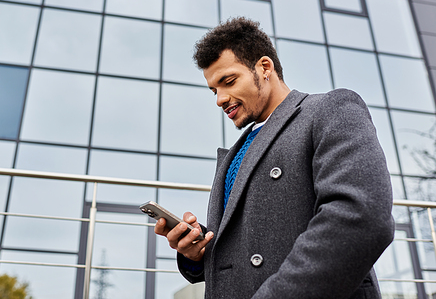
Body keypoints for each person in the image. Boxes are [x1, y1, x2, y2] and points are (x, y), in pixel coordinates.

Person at [154, 17, 394, 298]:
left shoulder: (329, 109)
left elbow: (361, 218)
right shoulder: (236, 152)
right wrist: (197, 254)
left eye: (228, 81)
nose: (219, 98)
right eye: (214, 90)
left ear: (264, 68)